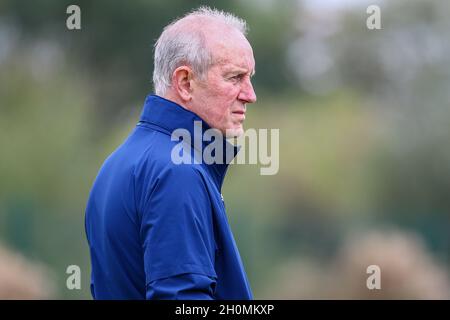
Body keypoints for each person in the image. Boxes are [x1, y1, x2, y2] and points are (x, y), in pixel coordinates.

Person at [85, 6, 257, 300]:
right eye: (234, 78)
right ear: (185, 82)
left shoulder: (118, 163)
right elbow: (183, 300)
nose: (250, 94)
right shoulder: (178, 172)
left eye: (249, 77)